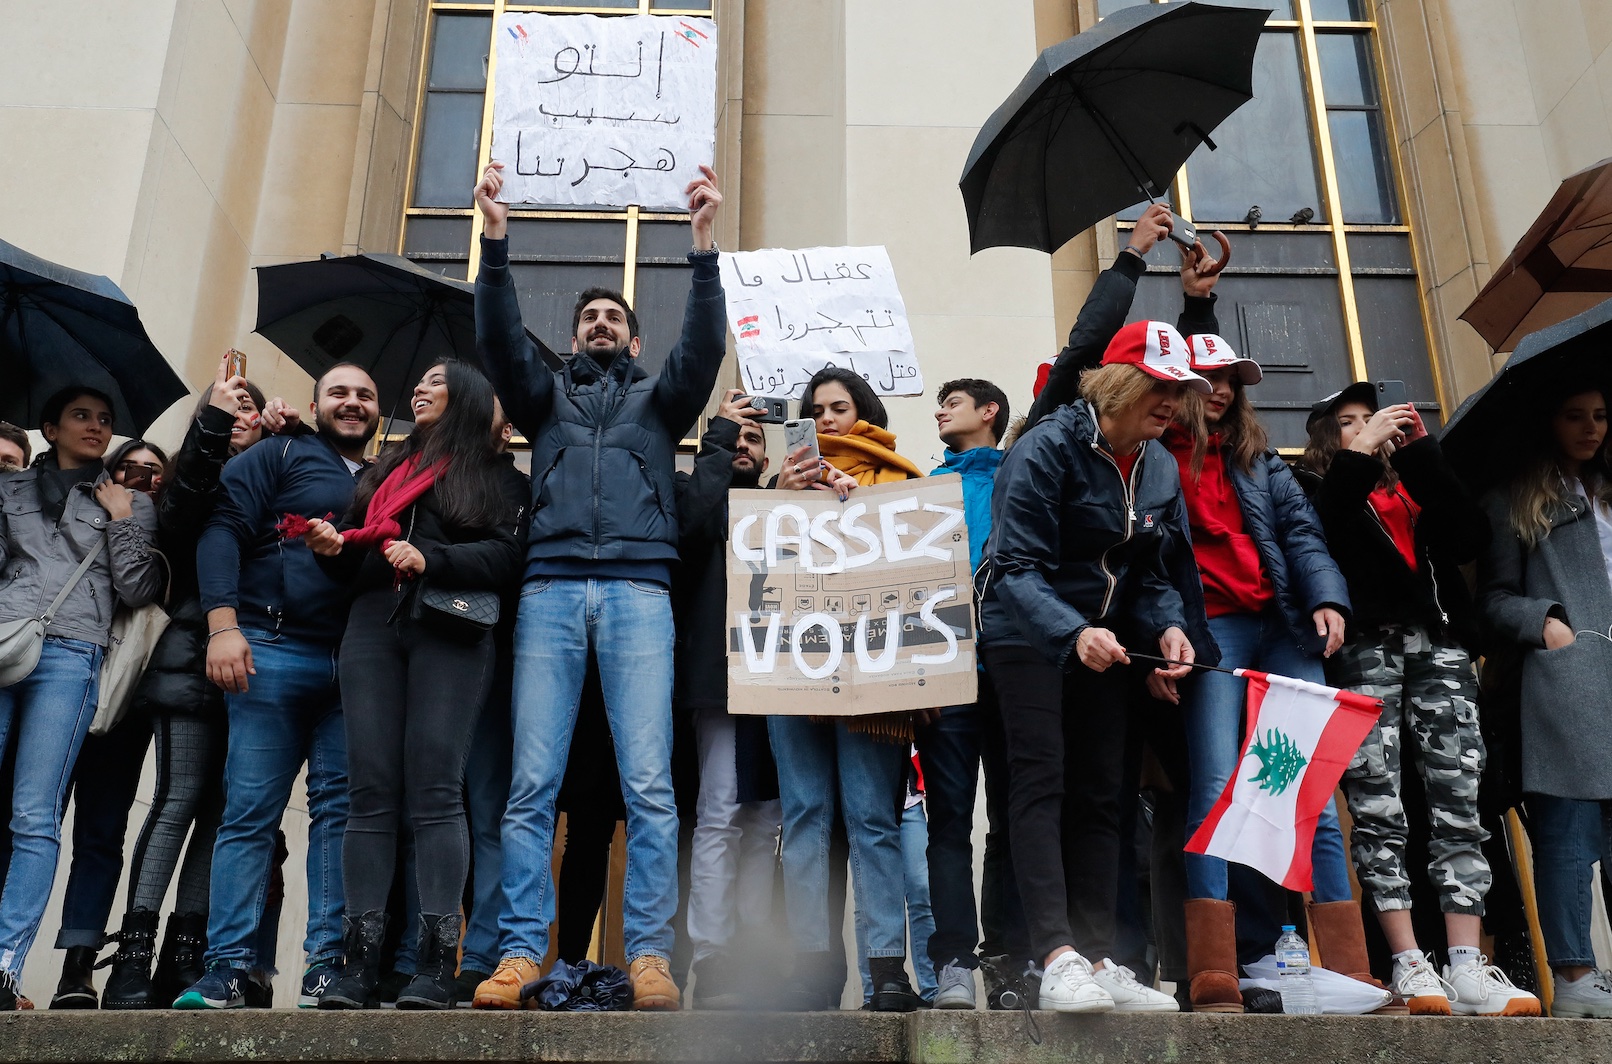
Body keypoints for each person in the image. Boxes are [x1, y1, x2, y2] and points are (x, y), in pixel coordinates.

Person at [469, 159, 726, 1011]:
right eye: (589, 317)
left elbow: (705, 348)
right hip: (548, 592)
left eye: (615, 315)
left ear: (634, 339)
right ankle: (518, 955)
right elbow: (500, 341)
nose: (602, 323)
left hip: (638, 596)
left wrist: (701, 247)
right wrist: (497, 243)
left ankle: (648, 955)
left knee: (649, 785)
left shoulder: (662, 404)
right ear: (573, 336)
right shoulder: (541, 400)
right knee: (532, 786)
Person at [977, 321, 1203, 1013]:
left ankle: (1100, 956)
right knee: (1040, 784)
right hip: (1026, 633)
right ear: (1119, 384)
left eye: (1180, 391)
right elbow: (1011, 567)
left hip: (1103, 639)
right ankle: (1056, 956)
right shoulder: (1046, 447)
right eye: (1160, 388)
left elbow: (1151, 569)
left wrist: (1168, 626)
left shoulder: (1158, 462)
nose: (1172, 404)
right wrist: (1072, 631)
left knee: (1104, 794)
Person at [1297, 382, 1538, 1016]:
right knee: (1378, 804)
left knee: (1459, 800)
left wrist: (1422, 455)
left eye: (1374, 417)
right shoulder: (1316, 488)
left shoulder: (1412, 485)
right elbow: (1326, 539)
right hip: (1365, 651)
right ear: (1328, 436)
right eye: (1350, 421)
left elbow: (1469, 538)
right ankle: (1407, 959)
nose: (1368, 427)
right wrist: (1357, 457)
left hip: (1441, 646)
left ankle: (1466, 963)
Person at [300, 361, 527, 1009]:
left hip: (449, 634)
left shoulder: (499, 477)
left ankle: (433, 965)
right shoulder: (383, 471)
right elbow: (350, 565)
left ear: (469, 396)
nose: (419, 388)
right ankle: (359, 964)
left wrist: (435, 557)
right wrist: (334, 548)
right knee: (368, 793)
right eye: (419, 379)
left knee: (435, 792)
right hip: (373, 627)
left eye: (435, 379)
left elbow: (507, 558)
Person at [1155, 335, 1364, 1013]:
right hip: (1210, 631)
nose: (1221, 389)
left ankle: (1348, 968)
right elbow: (1147, 558)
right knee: (1215, 788)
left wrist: (1328, 598)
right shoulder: (1156, 459)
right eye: (1208, 377)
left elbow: (1302, 535)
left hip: (1280, 629)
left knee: (1311, 789)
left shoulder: (1260, 459)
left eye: (1232, 380)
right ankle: (1214, 968)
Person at [175, 364, 381, 1010]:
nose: (352, 403)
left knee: (340, 817)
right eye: (339, 392)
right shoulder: (279, 450)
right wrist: (222, 627)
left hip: (355, 667)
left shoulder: (385, 478)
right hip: (270, 649)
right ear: (315, 404)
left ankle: (326, 965)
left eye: (365, 396)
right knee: (249, 816)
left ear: (379, 412)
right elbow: (222, 531)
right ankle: (229, 966)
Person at [97, 359, 272, 1011]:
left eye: (251, 406)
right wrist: (214, 423)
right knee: (179, 798)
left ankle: (186, 955)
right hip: (192, 654)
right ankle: (132, 961)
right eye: (231, 407)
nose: (242, 415)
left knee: (228, 813)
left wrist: (290, 436)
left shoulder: (279, 469)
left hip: (262, 660)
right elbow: (184, 509)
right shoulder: (195, 477)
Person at [0, 386, 162, 1011]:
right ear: (49, 427)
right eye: (80, 416)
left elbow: (138, 584)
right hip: (4, 643)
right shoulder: (8, 490)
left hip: (72, 655)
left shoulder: (127, 500)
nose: (95, 427)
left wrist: (123, 519)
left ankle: (6, 965)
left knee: (35, 815)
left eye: (104, 419)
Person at [766, 370, 922, 1012]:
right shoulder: (781, 483)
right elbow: (758, 566)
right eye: (816, 410)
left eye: (840, 407)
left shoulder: (903, 480)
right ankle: (809, 971)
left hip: (872, 675)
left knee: (872, 820)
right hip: (792, 670)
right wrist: (785, 495)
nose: (827, 419)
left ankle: (886, 970)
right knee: (804, 817)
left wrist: (859, 509)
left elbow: (922, 566)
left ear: (866, 412)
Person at [1478, 382, 1612, 1019]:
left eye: (1601, 416)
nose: (1591, 429)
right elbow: (1494, 599)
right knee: (1566, 832)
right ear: (1547, 421)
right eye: (1574, 416)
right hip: (1566, 684)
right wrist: (1549, 623)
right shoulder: (1516, 499)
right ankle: (1577, 975)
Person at [45, 437, 171, 1009]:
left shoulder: (158, 525)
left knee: (100, 832)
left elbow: (137, 586)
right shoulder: (68, 512)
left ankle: (78, 963)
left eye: (154, 472)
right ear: (107, 473)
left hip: (120, 696)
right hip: (53, 676)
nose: (143, 478)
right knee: (28, 821)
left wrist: (127, 519)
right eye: (131, 468)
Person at [917, 377, 1028, 1011]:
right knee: (948, 823)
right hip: (949, 677)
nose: (940, 411)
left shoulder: (1020, 476)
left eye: (952, 403)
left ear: (989, 412)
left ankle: (1011, 962)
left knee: (1014, 821)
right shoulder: (926, 489)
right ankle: (953, 961)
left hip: (1012, 671)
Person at [675, 390, 783, 1009]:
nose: (743, 447)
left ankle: (751, 956)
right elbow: (693, 524)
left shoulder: (782, 504)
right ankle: (714, 959)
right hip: (718, 676)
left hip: (781, 676)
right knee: (718, 814)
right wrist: (716, 438)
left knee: (765, 820)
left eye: (753, 440)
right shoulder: (701, 496)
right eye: (733, 439)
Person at [455, 400, 526, 1003]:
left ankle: (479, 954)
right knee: (424, 813)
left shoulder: (518, 486)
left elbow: (508, 562)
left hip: (493, 656)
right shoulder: (426, 473)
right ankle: (414, 952)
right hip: (421, 657)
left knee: (488, 812)